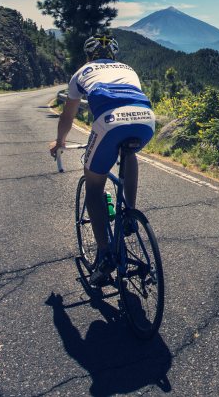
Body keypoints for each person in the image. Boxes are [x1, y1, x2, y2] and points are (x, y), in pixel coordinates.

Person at [50, 32, 156, 284]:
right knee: (129, 151)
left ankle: (106, 255)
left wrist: (60, 141)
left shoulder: (81, 72)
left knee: (94, 186)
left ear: (89, 55)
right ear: (114, 55)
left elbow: (68, 116)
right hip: (146, 118)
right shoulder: (128, 69)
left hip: (109, 121)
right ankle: (129, 213)